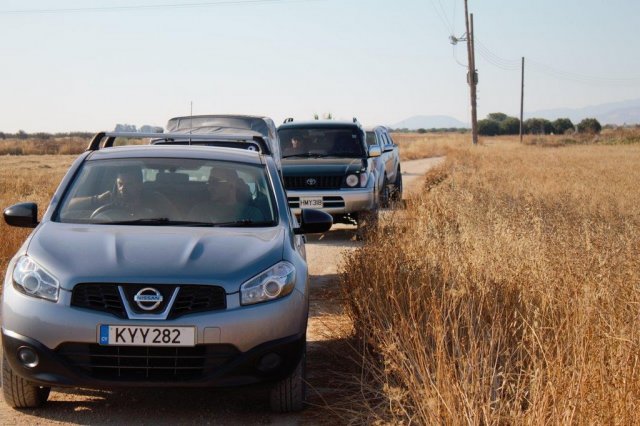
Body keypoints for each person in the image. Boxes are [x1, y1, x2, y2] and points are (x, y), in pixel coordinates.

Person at [188, 168, 264, 223]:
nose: (209, 187)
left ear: (231, 185)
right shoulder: (199, 211)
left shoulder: (251, 213)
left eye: (215, 182)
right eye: (209, 182)